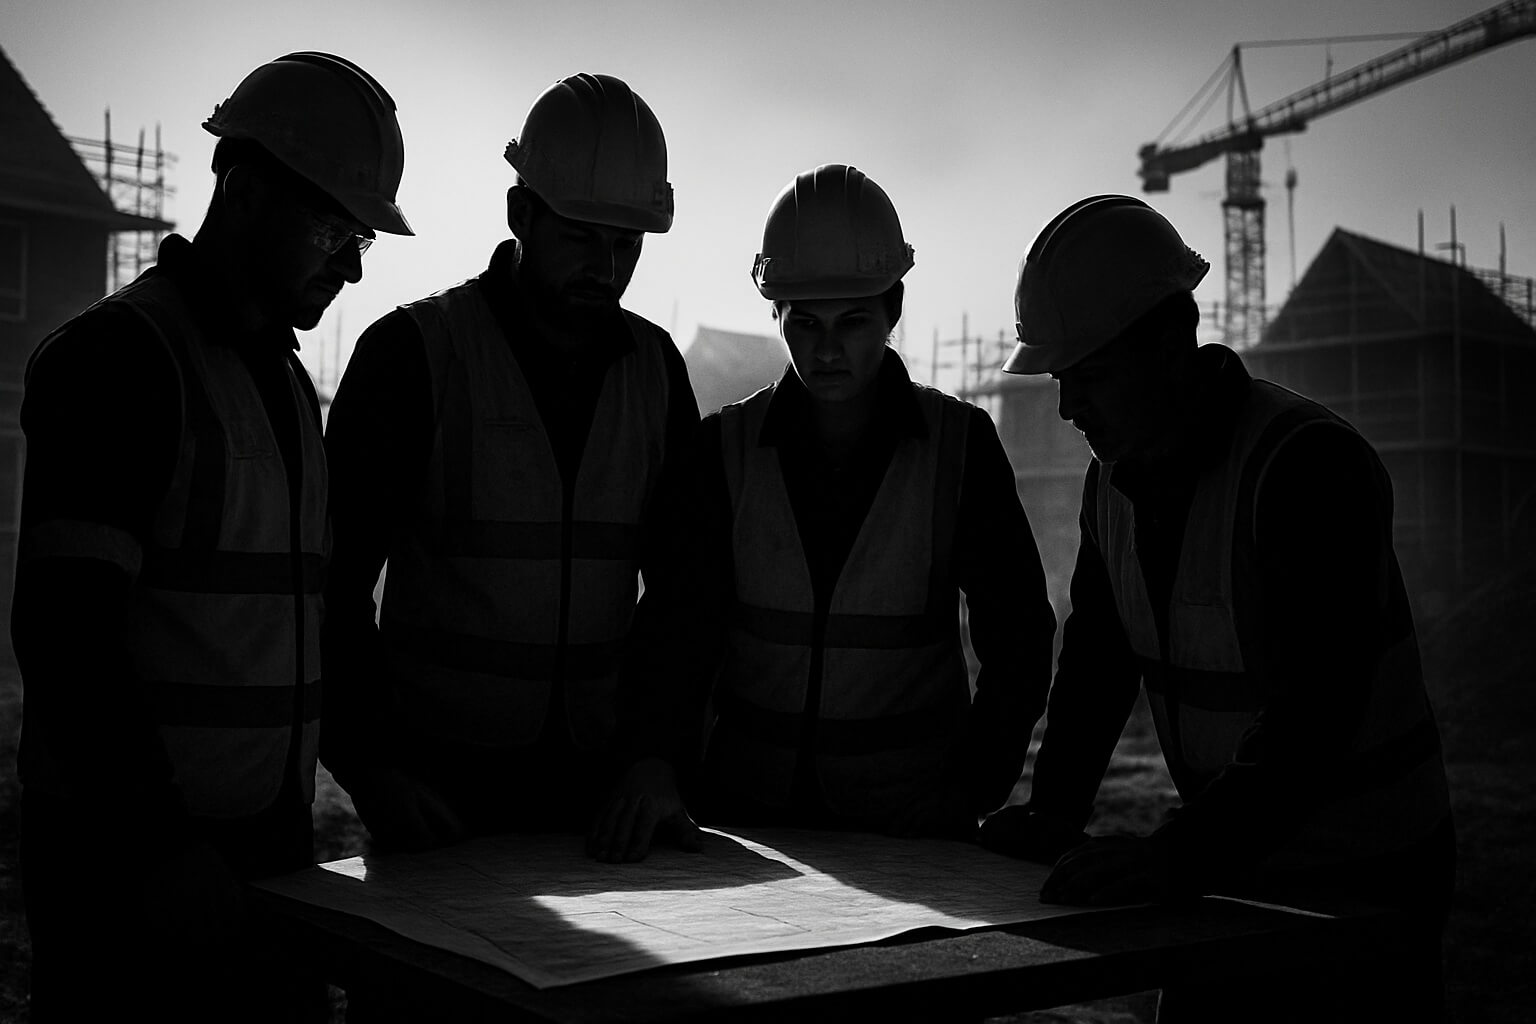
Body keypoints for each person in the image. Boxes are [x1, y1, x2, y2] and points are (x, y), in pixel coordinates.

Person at [979, 195, 1455, 1021]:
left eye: (1087, 375)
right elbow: (1097, 664)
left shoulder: (1307, 467)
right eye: (1059, 378)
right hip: (1232, 862)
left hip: (1367, 884)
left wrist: (1175, 857)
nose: (1066, 406)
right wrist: (1055, 811)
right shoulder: (1112, 481)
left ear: (1169, 343)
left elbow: (1315, 714)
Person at [12, 52, 411, 1022]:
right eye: (334, 229)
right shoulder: (121, 359)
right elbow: (66, 635)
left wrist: (375, 774)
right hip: (129, 873)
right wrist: (158, 846)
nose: (353, 264)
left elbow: (305, 621)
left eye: (361, 236)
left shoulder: (284, 384)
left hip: (261, 858)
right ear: (245, 190)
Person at [321, 73, 701, 864]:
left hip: (599, 801)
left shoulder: (657, 372)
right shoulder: (414, 355)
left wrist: (655, 757)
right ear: (520, 214)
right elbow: (331, 586)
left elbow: (684, 596)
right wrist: (370, 766)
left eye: (627, 244)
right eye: (582, 237)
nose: (606, 267)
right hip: (439, 796)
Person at [626, 164, 1057, 843]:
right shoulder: (723, 450)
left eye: (852, 321)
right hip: (746, 826)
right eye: (805, 323)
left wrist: (973, 787)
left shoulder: (960, 447)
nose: (827, 349)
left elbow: (1020, 637)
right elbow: (676, 632)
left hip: (910, 830)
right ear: (775, 314)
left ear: (893, 308)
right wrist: (655, 764)